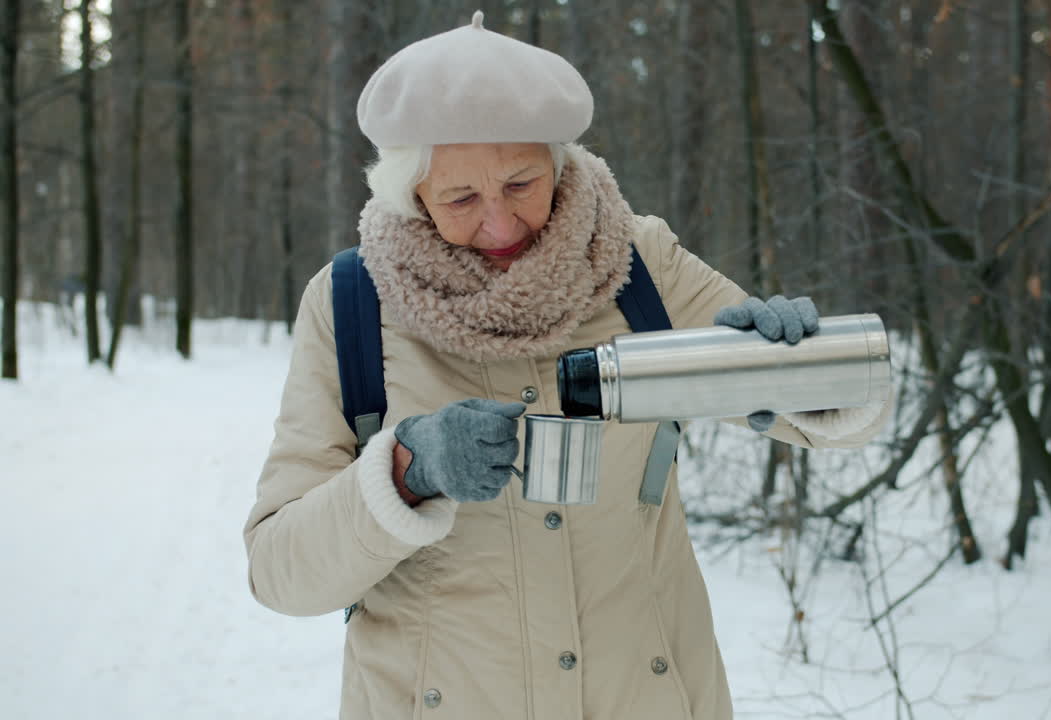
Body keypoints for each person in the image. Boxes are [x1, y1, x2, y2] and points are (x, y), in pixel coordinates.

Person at [244, 11, 890, 720]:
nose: (500, 224)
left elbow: (838, 417)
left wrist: (798, 361)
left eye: (521, 183)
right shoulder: (350, 305)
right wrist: (407, 470)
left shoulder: (640, 263)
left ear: (558, 164)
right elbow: (281, 574)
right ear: (411, 195)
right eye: (461, 197)